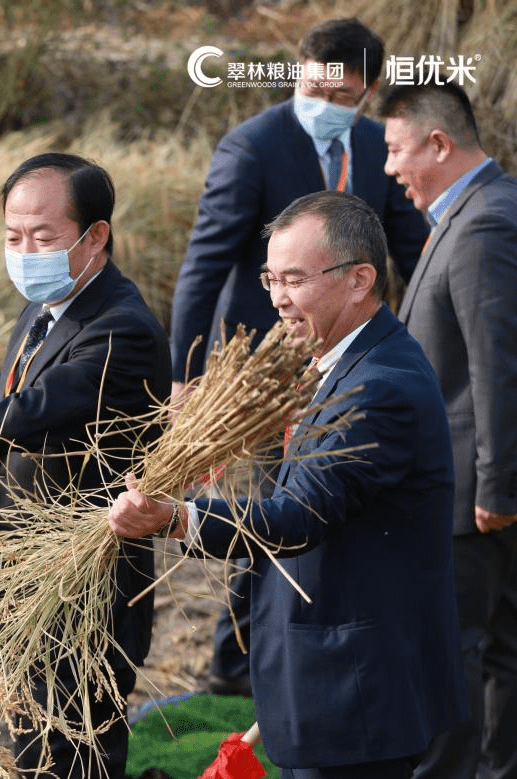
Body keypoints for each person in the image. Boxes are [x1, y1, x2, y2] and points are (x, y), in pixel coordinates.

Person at [108, 190, 465, 778]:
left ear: (359, 280)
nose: (277, 298)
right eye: (270, 278)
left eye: (294, 280)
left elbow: (298, 516)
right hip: (333, 687)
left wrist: (178, 517)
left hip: (358, 697)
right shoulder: (343, 364)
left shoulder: (381, 387)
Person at [168, 17, 430, 695]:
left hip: (347, 364)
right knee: (261, 508)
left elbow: (412, 254)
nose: (324, 102)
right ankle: (232, 671)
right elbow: (204, 264)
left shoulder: (376, 147)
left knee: (324, 513)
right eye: (311, 86)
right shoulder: (251, 146)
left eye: (341, 93)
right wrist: (186, 374)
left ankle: (303, 654)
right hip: (261, 374)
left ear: (367, 92)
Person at [0, 153, 171, 777]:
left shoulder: (120, 328)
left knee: (60, 750)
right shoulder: (42, 311)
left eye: (43, 237)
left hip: (79, 585)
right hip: (9, 563)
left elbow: (30, 413)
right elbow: (1, 416)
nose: (25, 252)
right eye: (13, 236)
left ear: (95, 235)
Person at [379, 82, 517, 779]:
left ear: (438, 144)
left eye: (395, 149)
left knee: (457, 647)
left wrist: (493, 486)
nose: (387, 167)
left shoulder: (485, 219)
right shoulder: (469, 210)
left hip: (472, 491)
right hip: (471, 480)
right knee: (494, 644)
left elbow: (497, 363)